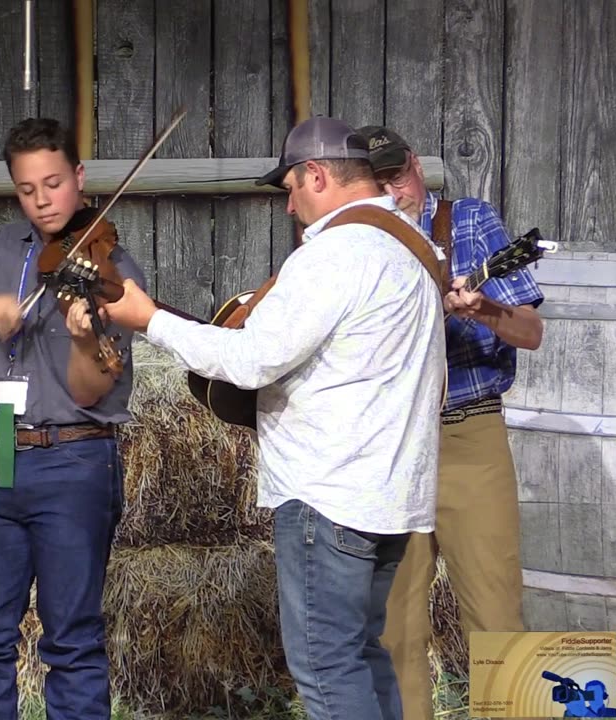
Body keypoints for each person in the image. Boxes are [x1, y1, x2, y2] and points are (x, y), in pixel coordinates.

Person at [102, 116, 446, 720]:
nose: (289, 204)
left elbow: (252, 360)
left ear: (316, 174)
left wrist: (148, 320)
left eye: (290, 186)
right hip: (391, 496)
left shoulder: (336, 254)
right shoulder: (411, 246)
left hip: (329, 495)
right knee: (362, 656)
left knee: (326, 669)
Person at [0, 117, 144, 720]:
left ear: (78, 176)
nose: (42, 200)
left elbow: (93, 391)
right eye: (26, 188)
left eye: (53, 183)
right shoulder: (1, 248)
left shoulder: (109, 266)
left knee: (70, 636)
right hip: (4, 455)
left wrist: (81, 340)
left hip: (74, 456)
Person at [357, 125, 545, 720]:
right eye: (378, 183)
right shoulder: (355, 239)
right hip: (388, 446)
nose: (395, 191)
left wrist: (483, 308)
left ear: (416, 165)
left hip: (468, 433)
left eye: (398, 175)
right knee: (395, 628)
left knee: (495, 617)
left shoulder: (468, 223)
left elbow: (531, 333)